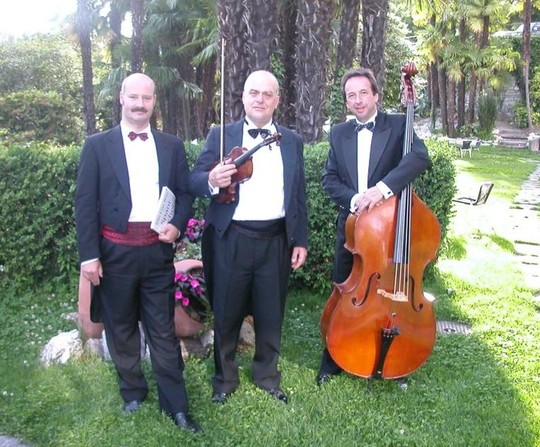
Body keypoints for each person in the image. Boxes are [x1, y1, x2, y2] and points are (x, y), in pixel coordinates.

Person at [75, 73, 202, 434]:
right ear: (121, 98)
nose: (139, 104)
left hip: (156, 252)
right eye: (133, 97)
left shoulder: (171, 145)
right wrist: (89, 256)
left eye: (146, 98)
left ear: (154, 101)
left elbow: (184, 193)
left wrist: (177, 224)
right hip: (114, 251)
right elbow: (85, 203)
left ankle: (176, 406)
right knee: (121, 327)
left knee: (162, 330)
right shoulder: (97, 146)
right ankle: (132, 390)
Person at [188, 70, 308, 405]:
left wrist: (300, 239)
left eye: (268, 94)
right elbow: (194, 180)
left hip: (276, 239)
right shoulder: (221, 135)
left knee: (271, 312)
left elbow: (297, 194)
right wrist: (212, 179)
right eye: (254, 92)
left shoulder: (292, 140)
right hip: (232, 239)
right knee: (227, 311)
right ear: (243, 97)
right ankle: (225, 379)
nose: (260, 99)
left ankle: (267, 376)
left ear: (277, 100)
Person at [316, 67, 431, 385]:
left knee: (391, 291)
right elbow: (329, 179)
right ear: (346, 101)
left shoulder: (398, 125)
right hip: (352, 228)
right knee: (344, 289)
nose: (357, 100)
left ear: (376, 95)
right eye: (351, 95)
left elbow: (419, 158)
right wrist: (355, 200)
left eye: (363, 93)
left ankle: (396, 358)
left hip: (390, 228)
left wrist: (381, 190)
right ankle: (333, 358)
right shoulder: (339, 133)